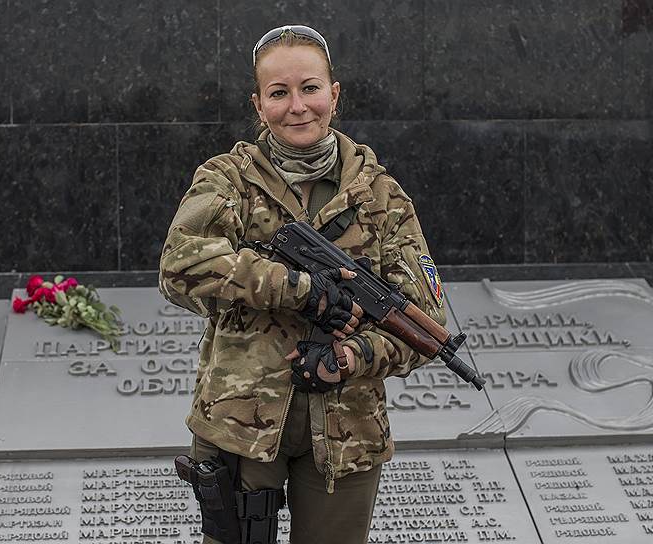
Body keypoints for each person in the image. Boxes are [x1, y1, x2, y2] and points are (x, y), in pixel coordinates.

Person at [159, 24, 447, 544]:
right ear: (258, 103)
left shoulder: (382, 197)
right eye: (279, 92)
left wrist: (353, 357)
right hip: (239, 422)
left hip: (346, 431)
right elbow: (180, 268)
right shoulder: (227, 181)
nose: (298, 106)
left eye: (310, 88)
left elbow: (423, 325)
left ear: (333, 94)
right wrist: (299, 288)